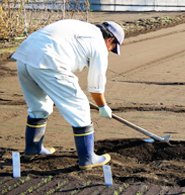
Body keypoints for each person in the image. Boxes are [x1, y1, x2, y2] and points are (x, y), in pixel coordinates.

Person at [12, 19, 125, 170]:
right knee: (80, 108)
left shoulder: (82, 27)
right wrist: (102, 106)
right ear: (110, 39)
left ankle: (33, 149)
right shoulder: (99, 44)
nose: (110, 50)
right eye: (112, 47)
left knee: (39, 106)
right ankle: (88, 158)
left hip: (24, 56)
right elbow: (96, 87)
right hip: (49, 60)